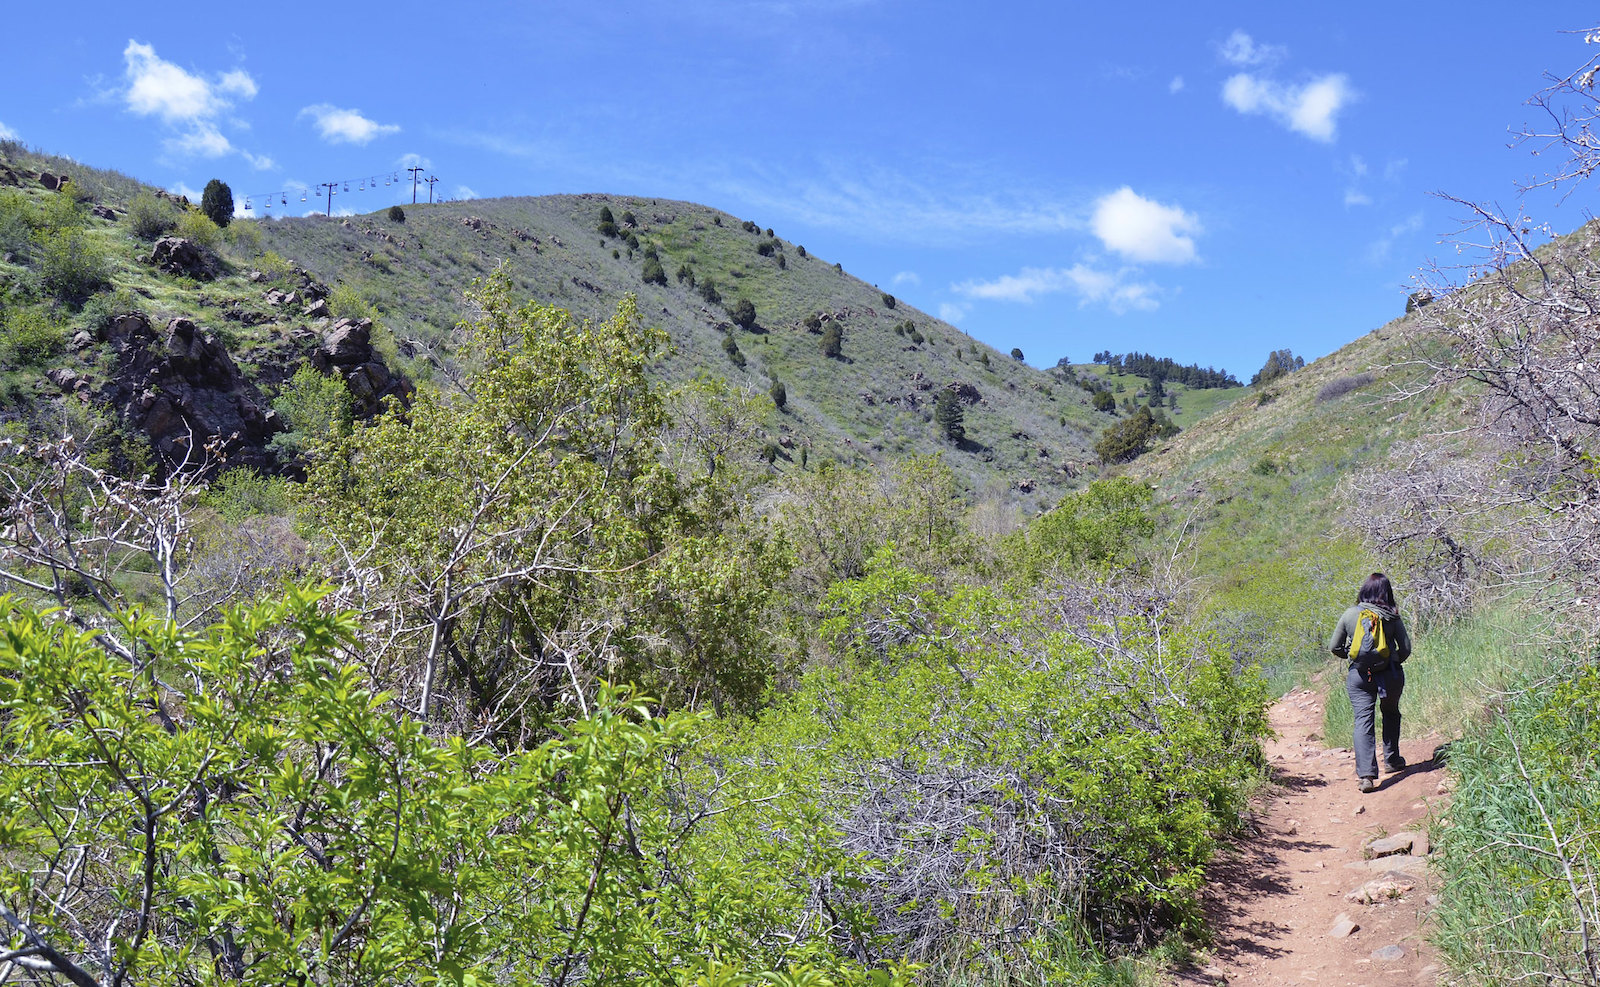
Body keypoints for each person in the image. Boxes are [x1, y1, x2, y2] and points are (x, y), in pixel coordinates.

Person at [1328, 572, 1413, 793]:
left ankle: (1366, 775)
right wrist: (1391, 661)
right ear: (1386, 592)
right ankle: (1392, 760)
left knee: (1363, 721)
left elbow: (1334, 646)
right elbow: (1406, 648)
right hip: (1390, 675)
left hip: (1359, 676)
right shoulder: (1391, 615)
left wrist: (1350, 654)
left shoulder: (1349, 615)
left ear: (1364, 590)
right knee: (1391, 713)